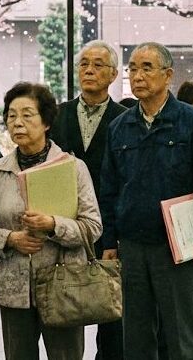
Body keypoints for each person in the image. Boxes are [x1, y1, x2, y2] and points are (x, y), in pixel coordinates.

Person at [100, 42, 193, 359]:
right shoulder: (119, 127)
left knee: (182, 335)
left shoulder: (192, 122)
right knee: (137, 337)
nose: (137, 75)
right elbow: (109, 188)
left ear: (168, 75)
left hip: (179, 247)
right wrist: (109, 240)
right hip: (132, 245)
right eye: (132, 68)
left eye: (146, 67)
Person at [0, 82, 102, 360]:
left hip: (63, 285)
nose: (17, 123)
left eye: (26, 115)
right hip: (14, 287)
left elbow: (92, 227)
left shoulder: (72, 167)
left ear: (46, 122)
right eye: (11, 115)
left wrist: (52, 225)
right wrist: (11, 239)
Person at [50, 39, 127, 359]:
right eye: (84, 64)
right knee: (63, 305)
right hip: (62, 226)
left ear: (112, 75)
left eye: (98, 65)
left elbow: (127, 182)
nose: (89, 70)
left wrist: (114, 235)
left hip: (108, 227)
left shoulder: (126, 118)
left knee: (111, 311)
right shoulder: (55, 114)